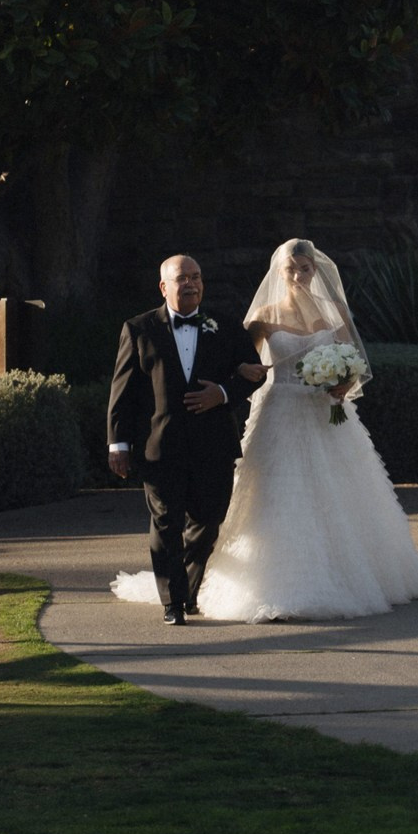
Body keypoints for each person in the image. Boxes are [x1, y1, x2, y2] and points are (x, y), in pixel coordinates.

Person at [112, 237, 418, 622]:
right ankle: (189, 594)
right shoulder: (264, 316)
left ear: (315, 271)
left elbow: (354, 364)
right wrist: (233, 382)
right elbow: (241, 364)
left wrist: (343, 383)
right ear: (280, 273)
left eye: (305, 269)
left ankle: (349, 574)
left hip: (326, 416)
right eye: (291, 269)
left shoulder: (334, 311)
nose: (299, 275)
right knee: (273, 500)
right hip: (280, 413)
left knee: (332, 498)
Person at [105, 254, 261, 626]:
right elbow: (122, 391)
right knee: (165, 522)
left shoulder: (224, 325)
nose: (191, 284)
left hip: (213, 445)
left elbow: (254, 373)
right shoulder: (139, 328)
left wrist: (222, 393)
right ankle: (173, 604)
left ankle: (187, 591)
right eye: (182, 278)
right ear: (164, 287)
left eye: (197, 277)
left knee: (209, 520)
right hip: (159, 447)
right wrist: (118, 444)